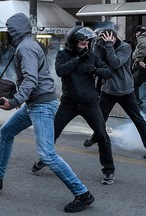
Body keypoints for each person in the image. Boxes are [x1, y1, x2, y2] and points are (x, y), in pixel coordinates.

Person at [0, 13, 94, 213]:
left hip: (41, 105)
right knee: (7, 132)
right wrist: (20, 98)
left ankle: (82, 193)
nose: (8, 33)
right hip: (35, 103)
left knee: (47, 154)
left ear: (15, 30)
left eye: (9, 29)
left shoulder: (26, 48)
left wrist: (15, 100)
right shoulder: (28, 44)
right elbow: (32, 78)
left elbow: (31, 79)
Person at [31, 26, 116, 185]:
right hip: (69, 104)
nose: (86, 47)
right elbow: (60, 71)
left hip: (90, 103)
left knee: (102, 135)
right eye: (82, 44)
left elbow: (108, 72)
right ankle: (45, 158)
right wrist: (78, 60)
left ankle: (109, 171)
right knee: (52, 133)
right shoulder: (63, 55)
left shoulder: (92, 56)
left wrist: (97, 70)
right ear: (73, 43)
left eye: (87, 44)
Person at [81, 29, 146, 159]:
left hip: (125, 90)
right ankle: (96, 137)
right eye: (106, 41)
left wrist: (108, 45)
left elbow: (115, 64)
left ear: (114, 38)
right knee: (100, 118)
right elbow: (94, 60)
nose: (109, 42)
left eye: (111, 40)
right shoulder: (103, 45)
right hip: (108, 90)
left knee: (137, 119)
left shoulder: (125, 47)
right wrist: (99, 44)